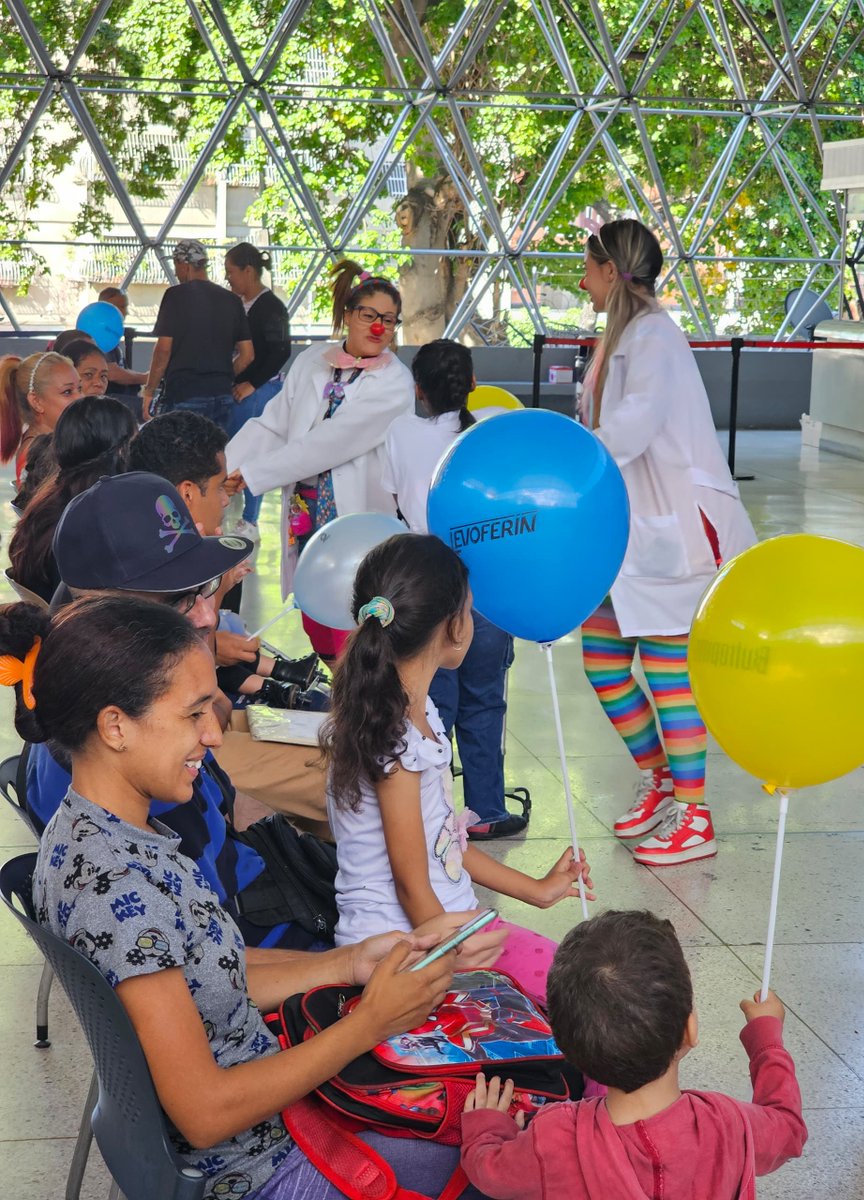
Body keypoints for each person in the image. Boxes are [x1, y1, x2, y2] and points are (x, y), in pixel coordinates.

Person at [0, 594, 501, 1199]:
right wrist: (370, 1022)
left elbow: (203, 971)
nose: (213, 735)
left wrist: (351, 960)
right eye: (192, 716)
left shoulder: (99, 832)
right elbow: (205, 1113)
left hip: (270, 1126)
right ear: (115, 726)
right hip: (261, 1170)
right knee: (509, 1148)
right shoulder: (118, 886)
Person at [322, 532, 594, 1004]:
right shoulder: (397, 741)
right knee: (582, 998)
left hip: (444, 931)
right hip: (404, 954)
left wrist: (538, 891)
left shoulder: (412, 713)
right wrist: (454, 956)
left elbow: (444, 842)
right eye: (469, 608)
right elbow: (409, 885)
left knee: (577, 989)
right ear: (452, 626)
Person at [577, 219, 756, 866]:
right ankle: (660, 780)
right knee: (601, 658)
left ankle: (696, 814)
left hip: (674, 531)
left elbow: (633, 425)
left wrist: (573, 459)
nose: (581, 281)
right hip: (630, 534)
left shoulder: (654, 335)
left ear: (608, 270)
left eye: (587, 267)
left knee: (666, 668)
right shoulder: (621, 335)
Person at [39, 471, 330, 830]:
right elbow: (214, 865)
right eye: (179, 599)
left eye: (203, 589)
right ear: (106, 607)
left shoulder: (109, 681)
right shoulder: (138, 753)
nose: (208, 616)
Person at [461, 910, 807, 1199]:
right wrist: (766, 1038)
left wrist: (487, 1127)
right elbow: (789, 1129)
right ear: (690, 1031)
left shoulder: (554, 1135)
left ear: (566, 1046)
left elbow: (490, 1172)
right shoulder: (730, 1124)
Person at [226, 259, 414, 658]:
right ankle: (339, 695)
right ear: (348, 314)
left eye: (389, 319)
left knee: (355, 616)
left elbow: (329, 443)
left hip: (357, 516)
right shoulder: (312, 361)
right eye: (369, 315)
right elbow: (274, 422)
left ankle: (356, 705)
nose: (379, 327)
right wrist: (224, 468)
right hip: (304, 511)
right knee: (314, 608)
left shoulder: (395, 382)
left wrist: (256, 473)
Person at [382, 339, 527, 840]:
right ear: (472, 383)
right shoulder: (488, 429)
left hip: (425, 590)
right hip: (485, 592)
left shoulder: (400, 432)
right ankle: (486, 811)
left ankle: (434, 814)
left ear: (417, 389)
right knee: (485, 703)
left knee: (428, 704)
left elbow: (396, 499)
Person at [129, 411, 322, 708]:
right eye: (220, 486)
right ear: (188, 494)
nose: (225, 500)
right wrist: (217, 592)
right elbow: (211, 702)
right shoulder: (159, 573)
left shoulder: (136, 538)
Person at [8, 395, 137, 602]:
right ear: (121, 451)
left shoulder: (49, 501)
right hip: (84, 626)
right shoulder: (97, 524)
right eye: (134, 442)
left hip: (52, 622)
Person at [142, 239, 253, 429]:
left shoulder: (175, 295)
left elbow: (163, 350)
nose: (176, 272)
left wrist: (149, 391)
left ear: (184, 264)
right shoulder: (232, 300)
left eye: (175, 265)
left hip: (185, 395)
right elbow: (247, 355)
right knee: (214, 456)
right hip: (222, 397)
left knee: (181, 456)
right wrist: (221, 376)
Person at [224, 242, 292, 541]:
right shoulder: (235, 304)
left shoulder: (271, 307)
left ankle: (250, 519)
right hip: (237, 390)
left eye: (231, 272)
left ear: (248, 271)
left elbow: (280, 351)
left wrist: (253, 384)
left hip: (259, 391)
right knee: (233, 452)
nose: (228, 279)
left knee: (252, 452)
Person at [0, 351, 82, 486]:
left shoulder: (56, 443)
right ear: (36, 402)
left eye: (80, 388)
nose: (80, 397)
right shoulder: (38, 456)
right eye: (67, 392)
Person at [97, 286, 149, 407]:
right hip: (108, 399)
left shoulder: (111, 336)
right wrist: (146, 378)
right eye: (122, 307)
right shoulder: (99, 336)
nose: (126, 312)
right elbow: (113, 373)